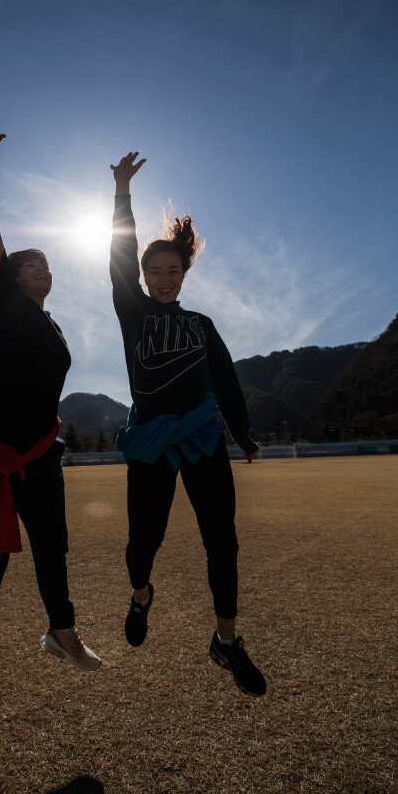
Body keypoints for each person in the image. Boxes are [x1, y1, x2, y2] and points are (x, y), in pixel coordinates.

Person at [0, 118, 101, 760]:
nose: (46, 271)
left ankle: (60, 631)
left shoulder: (53, 328)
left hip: (41, 452)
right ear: (12, 274)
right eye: (35, 265)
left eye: (50, 267)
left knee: (53, 547)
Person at [109, 151, 266, 697]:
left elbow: (226, 381)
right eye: (154, 272)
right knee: (142, 544)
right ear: (144, 277)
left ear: (185, 272)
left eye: (173, 271)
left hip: (202, 437)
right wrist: (122, 191)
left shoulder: (201, 324)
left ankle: (226, 643)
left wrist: (243, 435)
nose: (163, 279)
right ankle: (141, 594)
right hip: (152, 440)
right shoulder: (133, 313)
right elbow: (119, 255)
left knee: (222, 540)